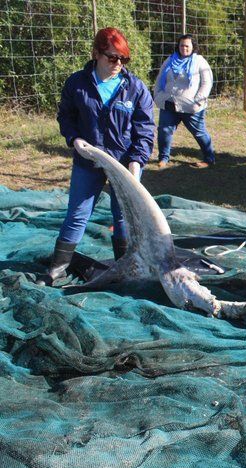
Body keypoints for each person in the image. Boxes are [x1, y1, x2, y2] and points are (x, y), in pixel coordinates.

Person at [38, 27, 154, 286]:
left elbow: (144, 130)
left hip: (124, 165)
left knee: (123, 215)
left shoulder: (135, 88)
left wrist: (137, 161)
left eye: (123, 59)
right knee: (77, 213)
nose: (118, 64)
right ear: (96, 54)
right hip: (88, 161)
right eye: (112, 57)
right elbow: (66, 116)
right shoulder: (77, 83)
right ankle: (58, 267)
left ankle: (125, 266)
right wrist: (74, 138)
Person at [153, 34, 215, 169]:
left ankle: (209, 158)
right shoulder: (170, 60)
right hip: (169, 102)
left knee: (199, 132)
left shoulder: (199, 61)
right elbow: (159, 78)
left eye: (187, 46)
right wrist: (157, 95)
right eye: (182, 45)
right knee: (164, 131)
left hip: (190, 106)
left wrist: (197, 101)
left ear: (193, 47)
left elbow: (207, 82)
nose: (184, 48)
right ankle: (163, 158)